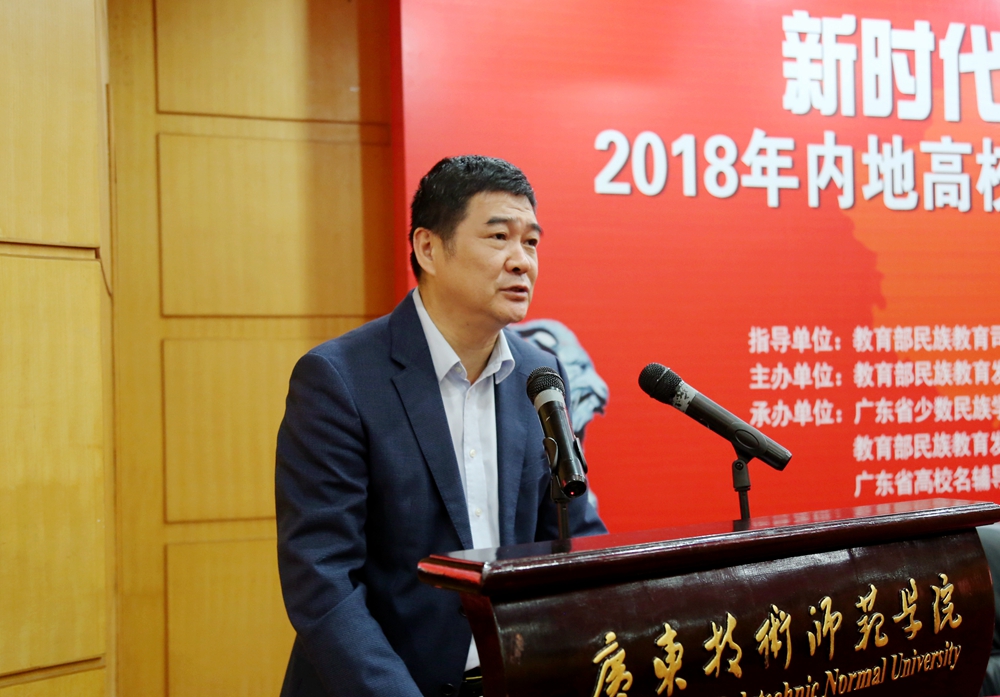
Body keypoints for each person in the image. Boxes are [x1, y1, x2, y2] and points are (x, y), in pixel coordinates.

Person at [275, 155, 607, 697]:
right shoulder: (340, 379)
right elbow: (322, 579)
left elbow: (574, 535)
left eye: (531, 242)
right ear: (428, 248)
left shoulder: (539, 376)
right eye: (499, 237)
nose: (522, 261)